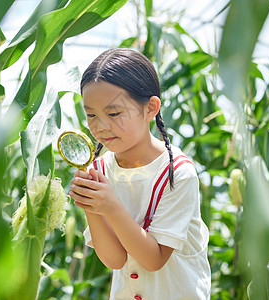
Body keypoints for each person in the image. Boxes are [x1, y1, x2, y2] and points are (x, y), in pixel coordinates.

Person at [69, 48, 211, 299]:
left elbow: (153, 259)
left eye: (114, 114)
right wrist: (91, 206)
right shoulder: (100, 171)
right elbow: (114, 260)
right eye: (91, 115)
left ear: (150, 108)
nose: (100, 127)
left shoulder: (177, 173)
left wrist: (109, 206)